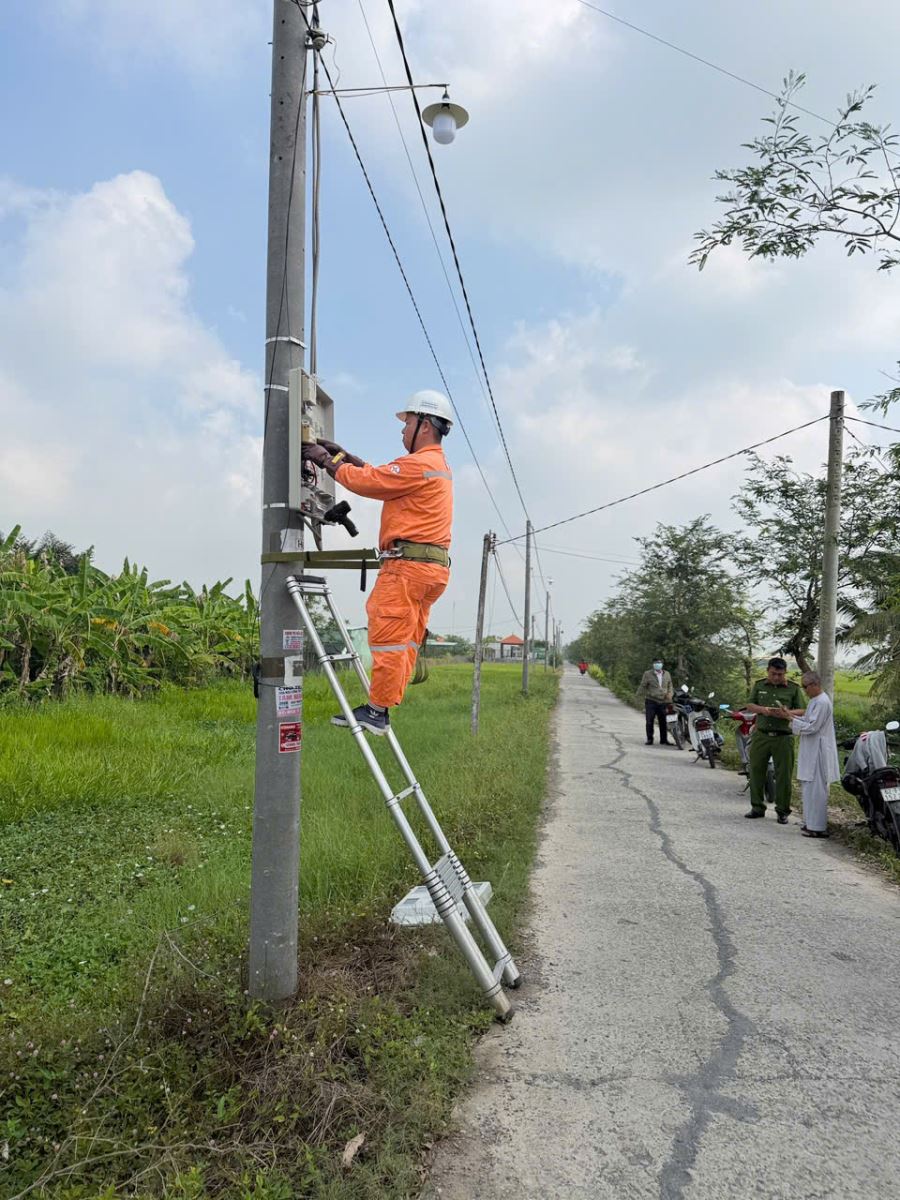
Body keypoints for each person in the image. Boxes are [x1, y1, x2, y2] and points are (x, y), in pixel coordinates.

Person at [302, 390, 453, 736]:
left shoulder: (420, 464)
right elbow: (380, 475)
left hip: (407, 568)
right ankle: (384, 705)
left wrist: (326, 460)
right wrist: (343, 456)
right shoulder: (436, 465)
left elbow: (369, 482)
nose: (403, 430)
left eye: (408, 423)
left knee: (388, 635)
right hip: (431, 569)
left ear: (425, 425)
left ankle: (375, 711)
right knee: (405, 641)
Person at [743, 656, 804, 823]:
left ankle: (782, 811)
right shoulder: (759, 685)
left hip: (783, 737)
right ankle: (757, 807)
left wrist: (787, 713)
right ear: (767, 671)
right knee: (756, 771)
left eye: (780, 674)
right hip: (761, 735)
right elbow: (750, 705)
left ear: (785, 673)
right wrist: (764, 710)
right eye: (773, 674)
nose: (776, 677)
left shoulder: (793, 688)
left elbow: (803, 710)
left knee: (783, 775)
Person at [784, 671, 840, 838]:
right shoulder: (814, 701)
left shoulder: (822, 702)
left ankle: (817, 827)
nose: (804, 690)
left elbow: (812, 727)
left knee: (816, 790)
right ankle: (810, 822)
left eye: (805, 687)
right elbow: (808, 720)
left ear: (815, 685)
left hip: (818, 752)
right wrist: (790, 716)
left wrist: (791, 720)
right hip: (811, 750)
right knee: (809, 788)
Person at [636, 658, 673, 745]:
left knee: (663, 721)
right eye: (656, 663)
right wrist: (638, 696)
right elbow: (643, 685)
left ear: (662, 664)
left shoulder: (667, 674)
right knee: (649, 721)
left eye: (659, 663)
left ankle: (664, 740)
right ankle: (650, 739)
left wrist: (670, 694)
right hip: (651, 700)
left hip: (663, 701)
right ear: (653, 664)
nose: (658, 664)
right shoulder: (647, 674)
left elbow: (670, 685)